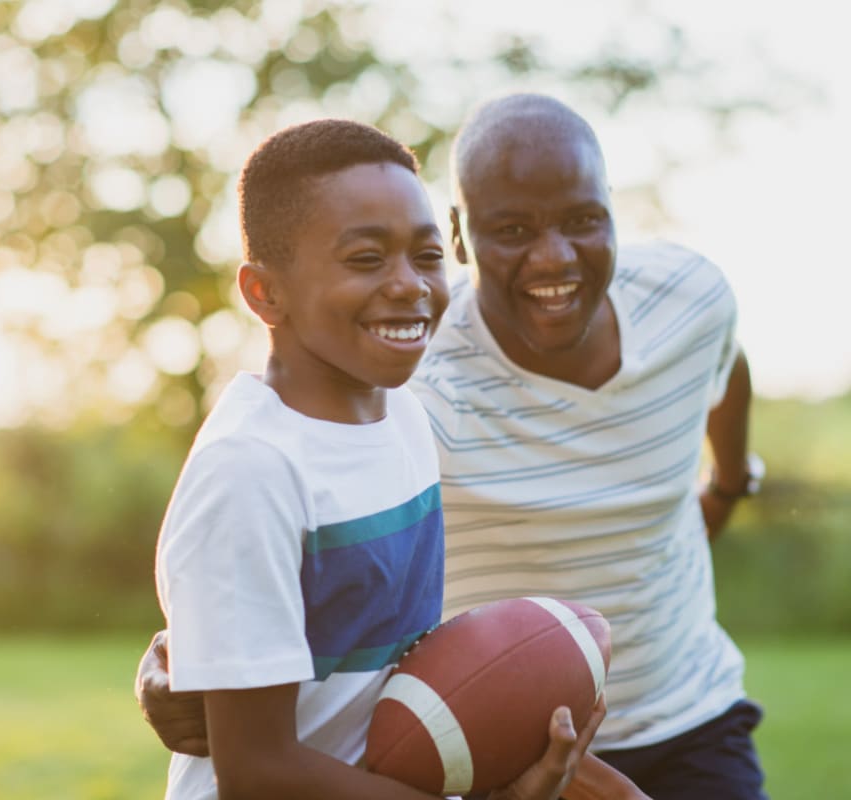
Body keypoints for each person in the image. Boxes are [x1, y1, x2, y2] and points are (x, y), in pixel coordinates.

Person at [138, 94, 767, 799]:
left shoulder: (687, 297)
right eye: (512, 228)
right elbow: (258, 746)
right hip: (469, 746)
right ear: (467, 237)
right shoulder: (391, 402)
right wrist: (177, 661)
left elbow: (725, 361)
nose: (553, 255)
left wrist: (729, 481)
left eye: (423, 255)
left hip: (674, 713)